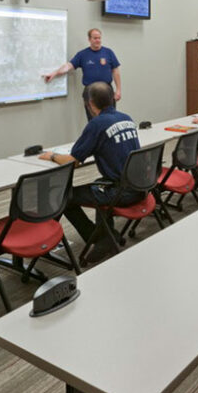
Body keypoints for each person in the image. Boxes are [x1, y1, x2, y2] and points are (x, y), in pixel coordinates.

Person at [38, 81, 139, 262]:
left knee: (64, 197)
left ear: (90, 104)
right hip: (139, 186)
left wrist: (51, 156)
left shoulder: (97, 124)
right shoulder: (127, 118)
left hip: (120, 192)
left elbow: (72, 161)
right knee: (98, 185)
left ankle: (98, 237)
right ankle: (106, 235)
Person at [43, 28, 121, 120]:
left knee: (110, 119)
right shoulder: (83, 54)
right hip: (91, 92)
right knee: (93, 121)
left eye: (99, 38)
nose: (98, 40)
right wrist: (54, 73)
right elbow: (68, 66)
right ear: (89, 39)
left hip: (107, 91)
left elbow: (115, 71)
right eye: (95, 38)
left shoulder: (108, 52)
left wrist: (118, 90)